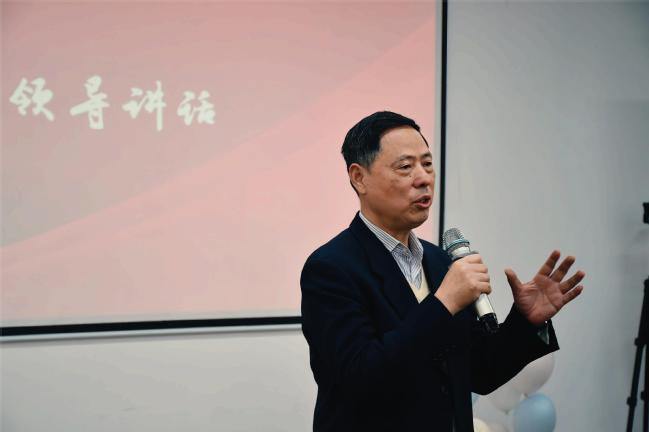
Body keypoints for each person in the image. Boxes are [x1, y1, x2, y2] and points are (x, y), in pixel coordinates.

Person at [300, 111, 585, 432]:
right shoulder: (331, 268)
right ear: (359, 178)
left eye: (427, 164)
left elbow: (481, 372)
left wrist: (525, 321)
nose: (423, 178)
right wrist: (443, 303)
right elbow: (359, 379)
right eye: (405, 167)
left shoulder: (439, 261)